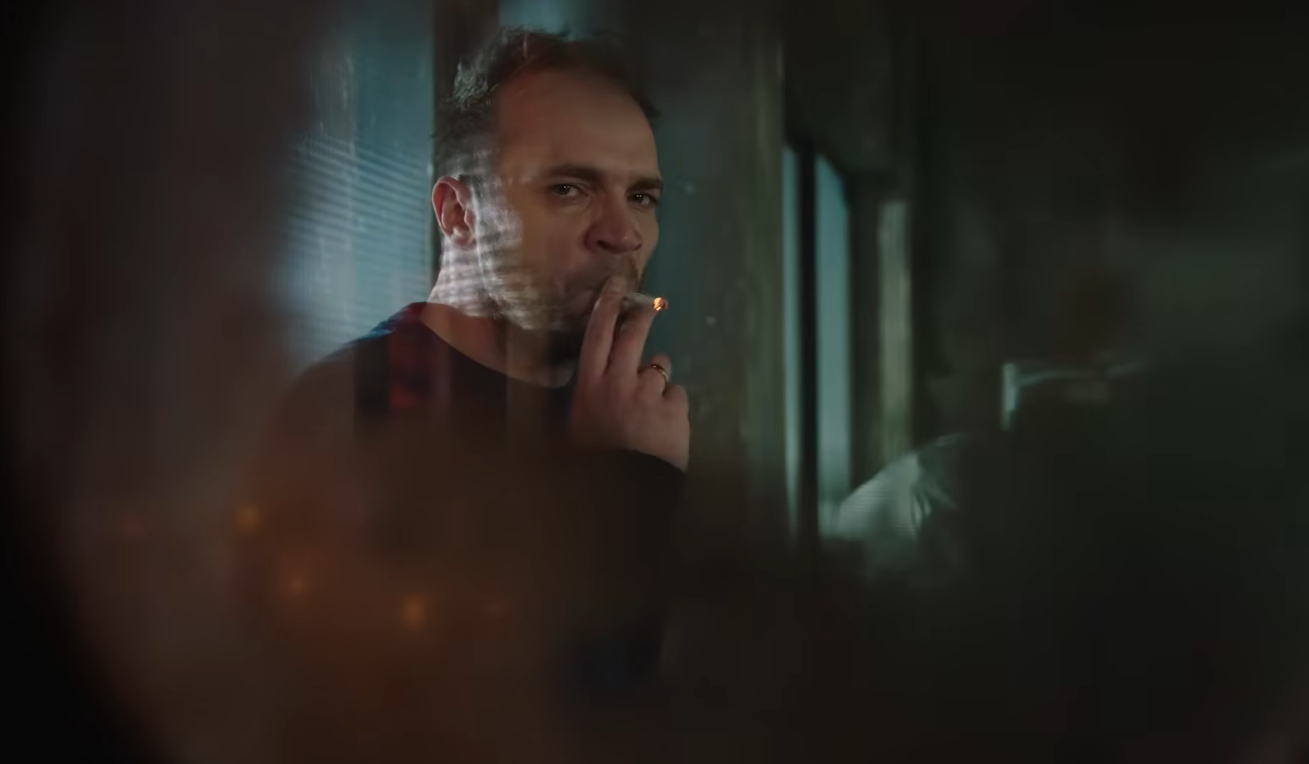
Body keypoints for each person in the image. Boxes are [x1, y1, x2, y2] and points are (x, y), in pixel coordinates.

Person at [239, 27, 690, 762]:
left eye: (641, 196)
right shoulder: (348, 417)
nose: (623, 234)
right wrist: (626, 491)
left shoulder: (629, 411)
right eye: (568, 189)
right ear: (456, 212)